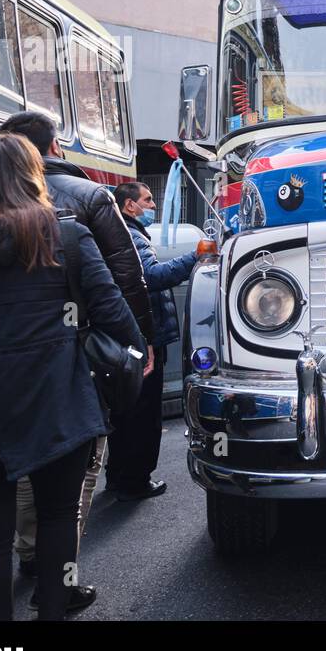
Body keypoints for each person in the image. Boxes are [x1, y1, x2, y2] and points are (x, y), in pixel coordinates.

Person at [0, 134, 143, 620]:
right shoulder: (65, 235)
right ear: (34, 175)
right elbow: (113, 313)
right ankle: (54, 612)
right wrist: (134, 353)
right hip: (53, 397)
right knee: (58, 517)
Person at [0, 111, 154, 609]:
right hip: (78, 350)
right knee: (82, 462)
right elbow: (126, 277)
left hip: (12, 355)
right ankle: (57, 574)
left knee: (26, 463)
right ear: (54, 148)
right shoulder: (89, 197)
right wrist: (140, 340)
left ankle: (28, 552)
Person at [110, 182, 199, 500]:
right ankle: (135, 479)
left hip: (131, 336)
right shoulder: (132, 237)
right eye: (147, 201)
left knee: (125, 413)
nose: (153, 207)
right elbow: (154, 277)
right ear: (129, 206)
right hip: (146, 337)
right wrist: (194, 257)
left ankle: (118, 475)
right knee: (144, 414)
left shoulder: (125, 234)